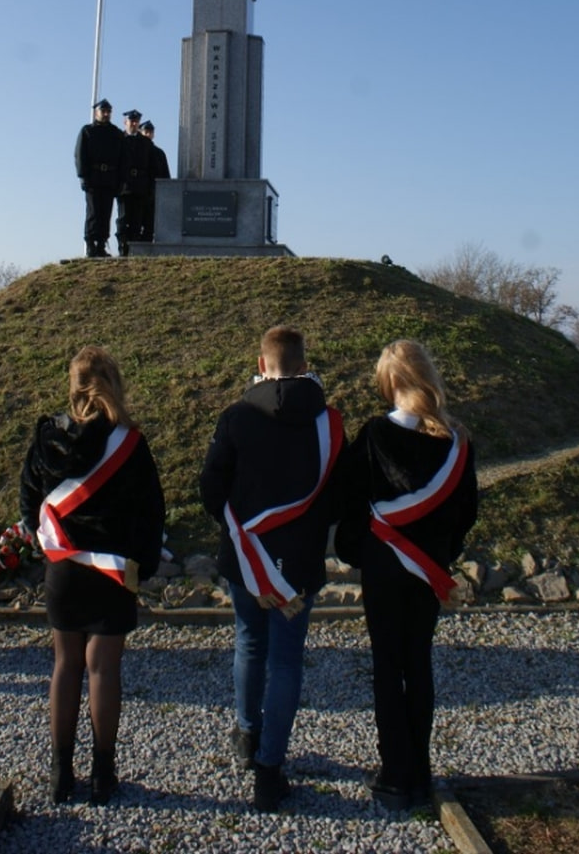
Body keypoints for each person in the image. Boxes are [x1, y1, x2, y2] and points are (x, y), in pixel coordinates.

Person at [199, 326, 346, 813]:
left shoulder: (236, 417)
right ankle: (269, 769)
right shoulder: (329, 423)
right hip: (299, 562)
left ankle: (247, 733)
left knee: (248, 643)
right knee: (286, 660)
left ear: (261, 365)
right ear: (305, 365)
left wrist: (240, 535)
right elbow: (338, 496)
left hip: (246, 561)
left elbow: (211, 489)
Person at [334, 339, 478, 811]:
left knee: (386, 665)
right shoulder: (456, 440)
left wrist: (356, 549)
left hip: (383, 565)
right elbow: (466, 511)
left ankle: (394, 773)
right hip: (428, 570)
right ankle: (421, 767)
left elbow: (348, 500)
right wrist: (441, 554)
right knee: (418, 663)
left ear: (389, 382)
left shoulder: (374, 435)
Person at [20, 346, 165, 806]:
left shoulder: (46, 438)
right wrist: (144, 565)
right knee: (103, 668)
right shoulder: (129, 442)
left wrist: (45, 542)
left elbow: (28, 503)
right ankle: (104, 773)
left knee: (65, 666)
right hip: (113, 570)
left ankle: (60, 774)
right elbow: (151, 511)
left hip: (63, 569)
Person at [75, 99, 124, 258]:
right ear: (96, 112)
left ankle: (102, 244)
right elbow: (80, 155)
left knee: (106, 213)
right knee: (93, 213)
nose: (106, 114)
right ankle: (91, 244)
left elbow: (122, 159)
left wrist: (120, 180)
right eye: (103, 111)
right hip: (93, 178)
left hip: (110, 179)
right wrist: (83, 176)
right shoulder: (88, 131)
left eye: (108, 111)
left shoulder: (116, 133)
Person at [115, 109, 153, 256]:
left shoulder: (145, 143)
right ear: (126, 122)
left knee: (137, 221)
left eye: (136, 121)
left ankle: (134, 249)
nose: (134, 124)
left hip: (140, 186)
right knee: (123, 219)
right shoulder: (119, 140)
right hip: (124, 186)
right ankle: (123, 248)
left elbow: (150, 166)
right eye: (132, 121)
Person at [137, 120, 171, 242]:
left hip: (153, 193)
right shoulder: (135, 150)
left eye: (150, 132)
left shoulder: (159, 153)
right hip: (138, 191)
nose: (148, 134)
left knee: (150, 222)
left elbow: (165, 175)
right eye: (145, 131)